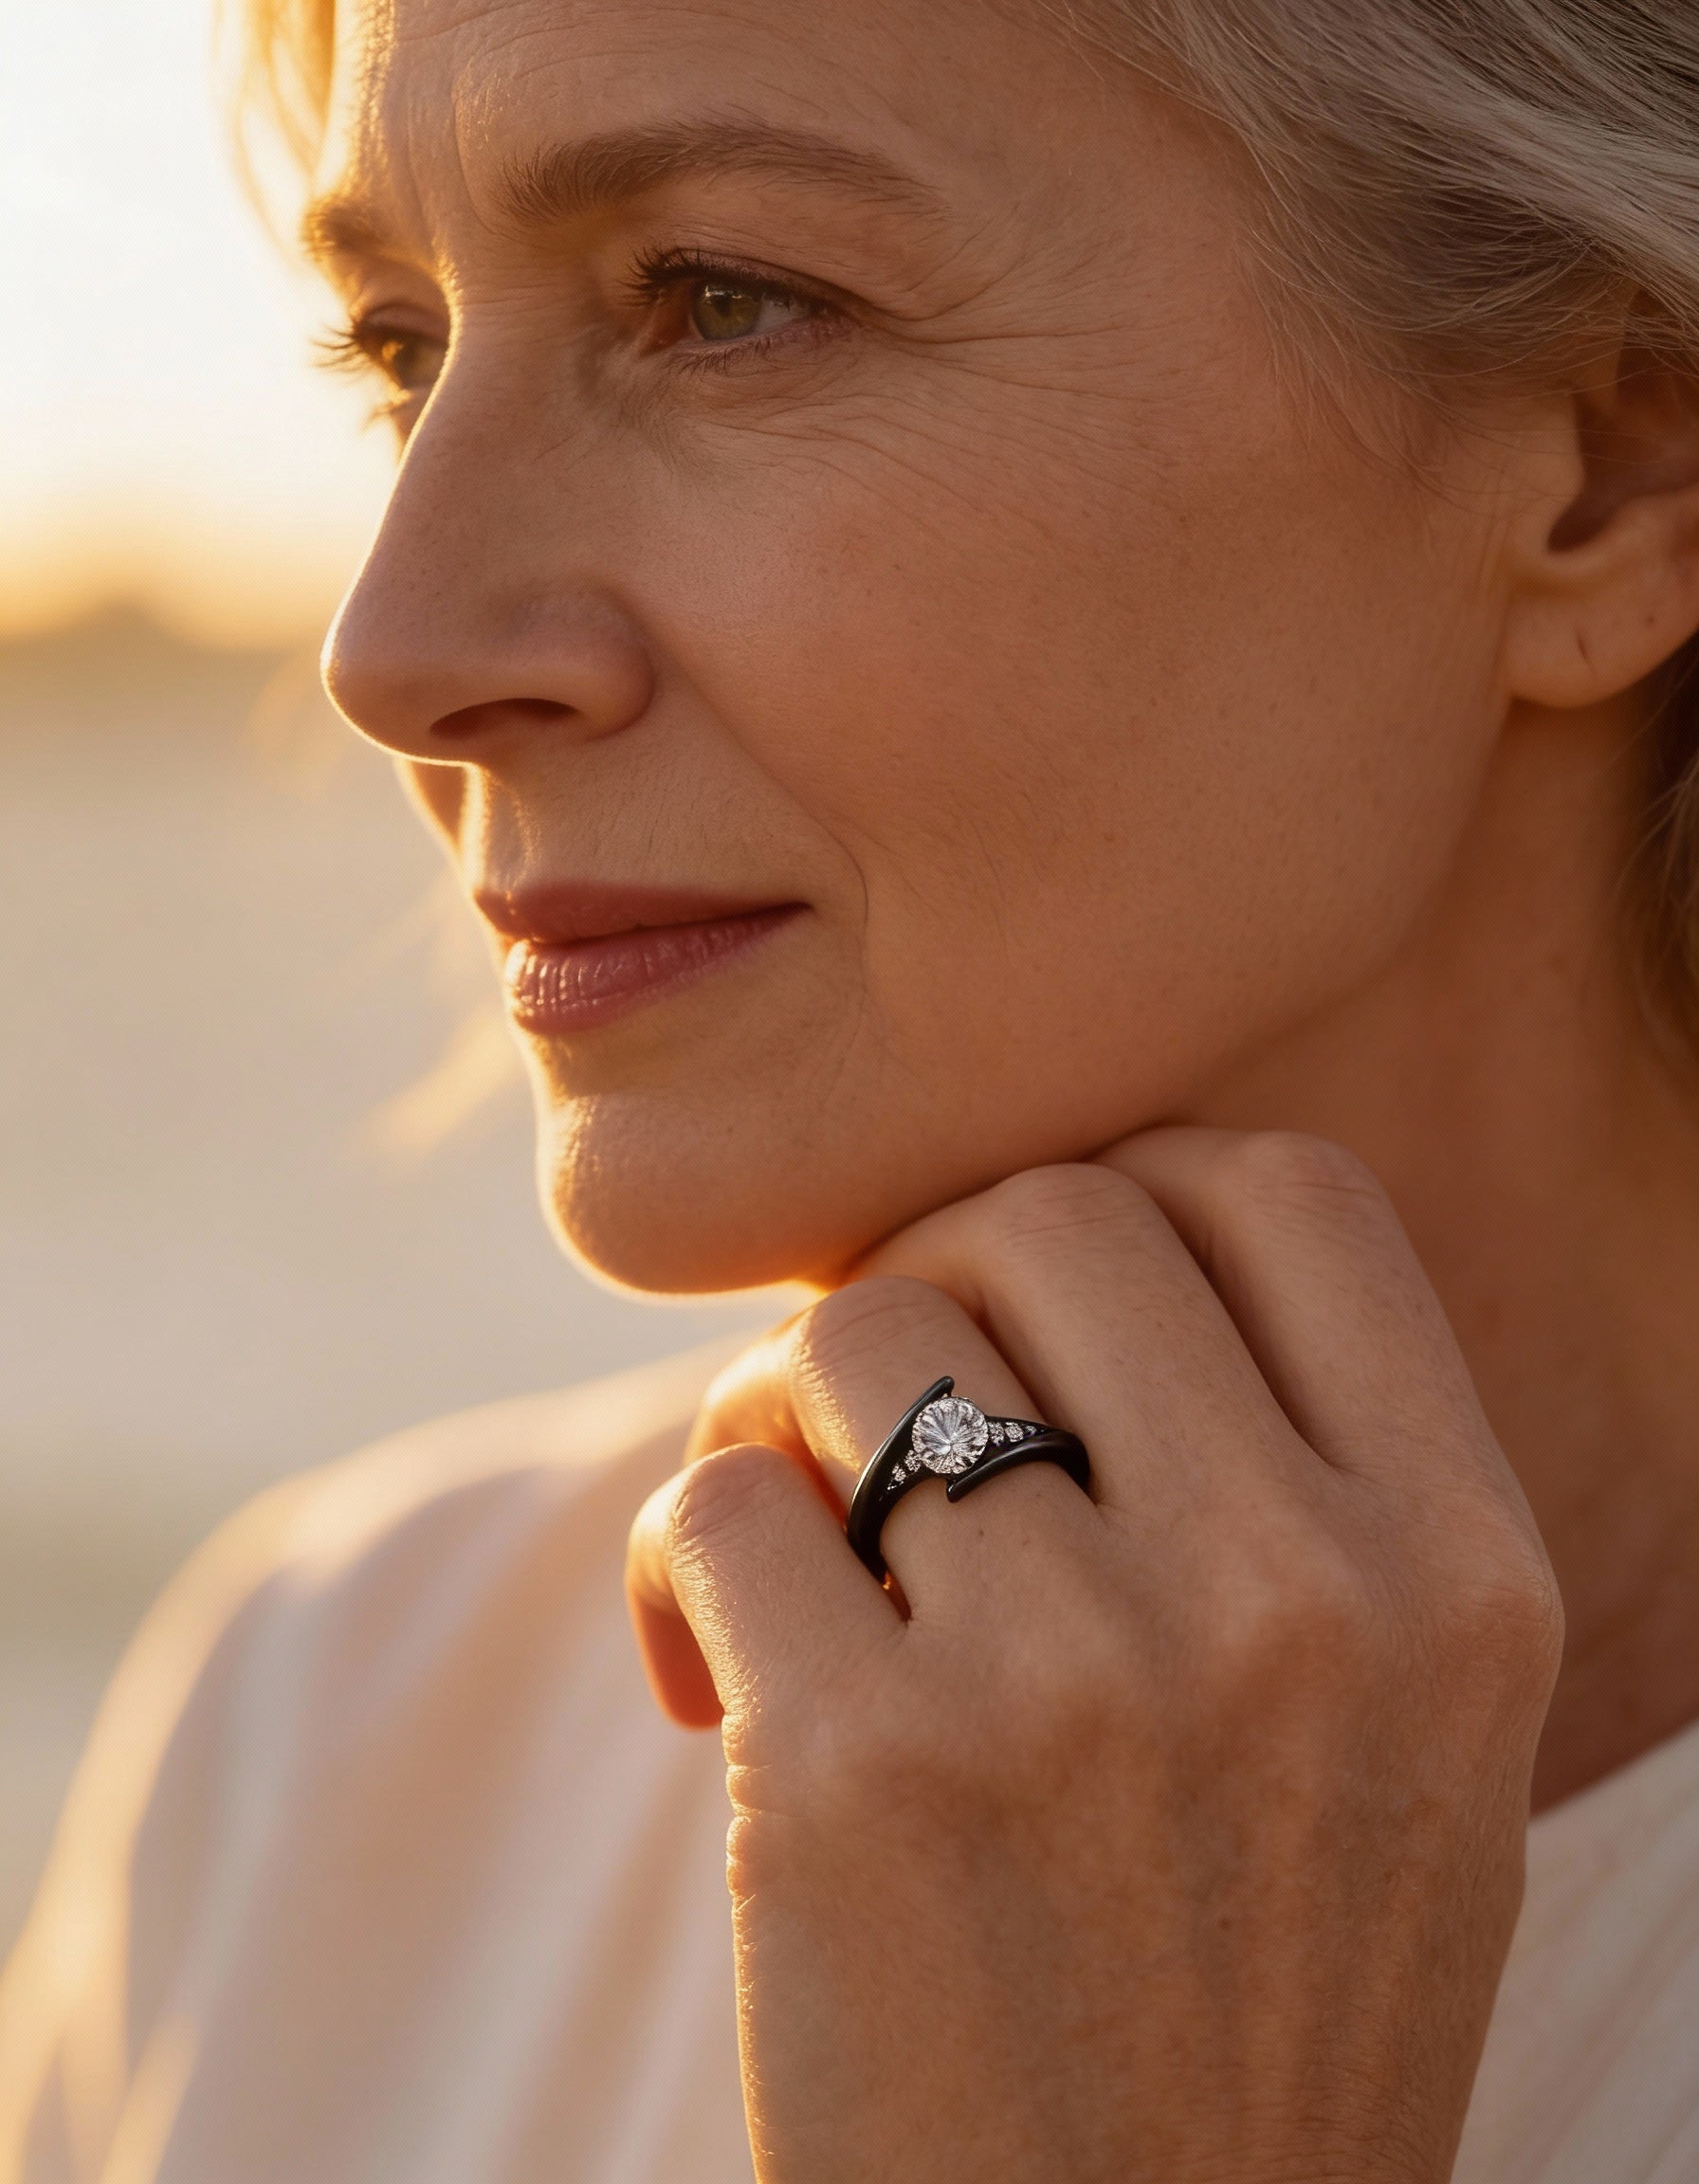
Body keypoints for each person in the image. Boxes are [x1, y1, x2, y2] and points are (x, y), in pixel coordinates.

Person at [7, 0, 1699, 2175]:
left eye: (723, 301)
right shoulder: (339, 1741)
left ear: (1610, 463)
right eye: (402, 352)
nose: (390, 651)